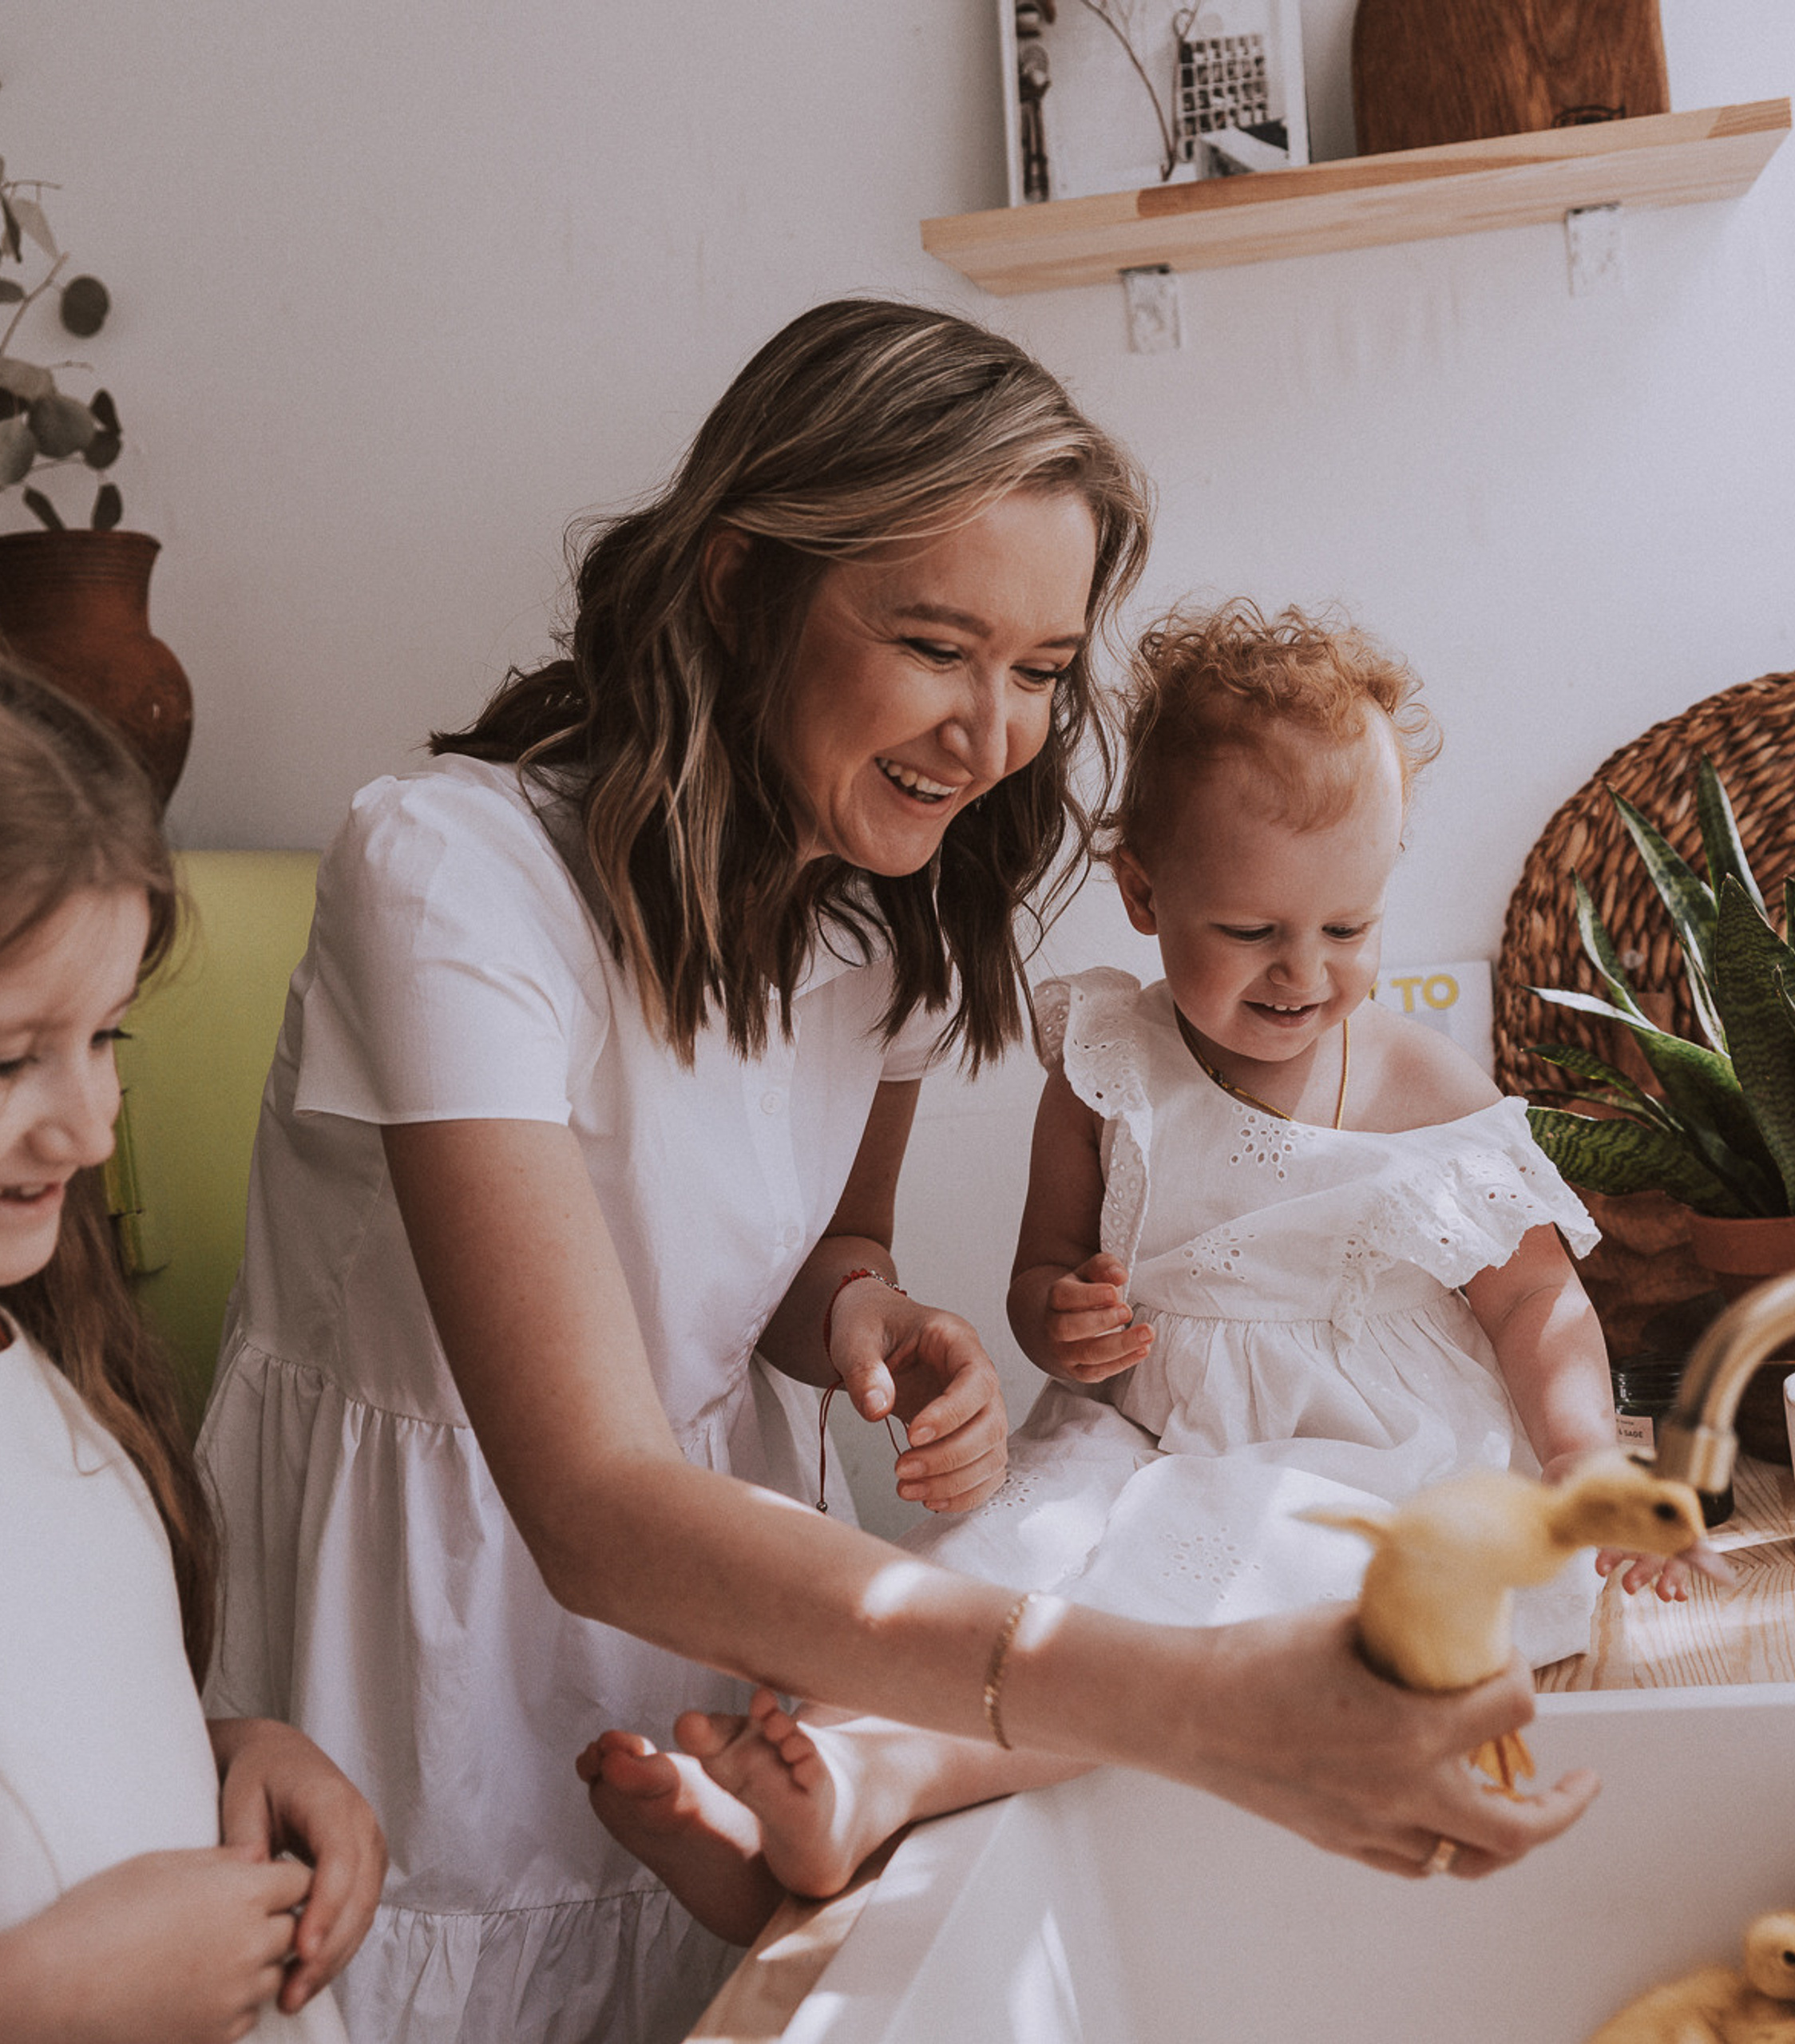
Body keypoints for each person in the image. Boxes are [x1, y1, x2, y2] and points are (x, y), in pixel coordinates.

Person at [198, 301, 1598, 2044]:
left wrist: (868, 1308)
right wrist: (1188, 1697)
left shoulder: (886, 913)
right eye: (938, 645)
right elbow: (585, 1497)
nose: (992, 730)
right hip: (439, 1634)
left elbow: (812, 1245)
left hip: (736, 1629)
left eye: (1036, 669)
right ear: (738, 588)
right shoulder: (448, 875)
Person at [581, 602, 1704, 1931]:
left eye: (1348, 929)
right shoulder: (1107, 1061)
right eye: (1251, 933)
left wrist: (1582, 1459)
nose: (1306, 973)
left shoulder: (1414, 1083)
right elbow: (1042, 1274)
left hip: (1355, 1457)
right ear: (1145, 893)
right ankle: (800, 1772)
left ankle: (873, 1783)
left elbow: (1532, 1298)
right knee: (992, 1564)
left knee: (1214, 1612)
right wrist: (1064, 1324)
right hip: (1137, 1433)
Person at [0, 663, 386, 2044]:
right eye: (9, 1063)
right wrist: (34, 1999)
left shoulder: (40, 1357)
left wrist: (223, 1755)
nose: (92, 1129)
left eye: (103, 1037)